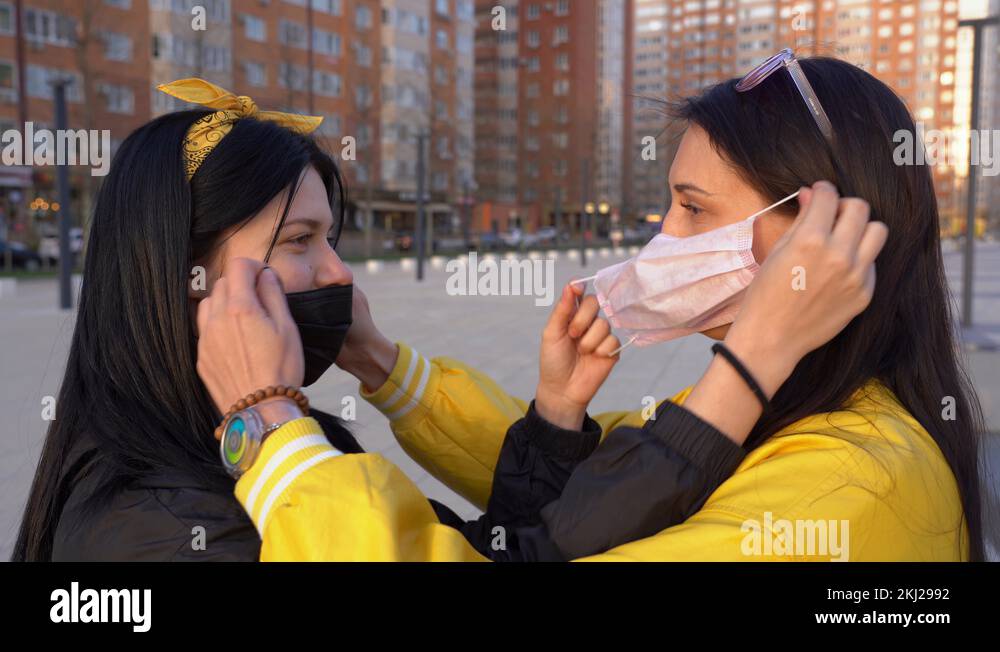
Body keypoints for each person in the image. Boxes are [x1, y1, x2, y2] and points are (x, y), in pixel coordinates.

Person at [314, 54, 988, 561]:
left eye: (692, 207)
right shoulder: (795, 400)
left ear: (820, 230)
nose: (663, 237)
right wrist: (375, 356)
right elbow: (614, 481)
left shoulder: (851, 483)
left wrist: (275, 442)